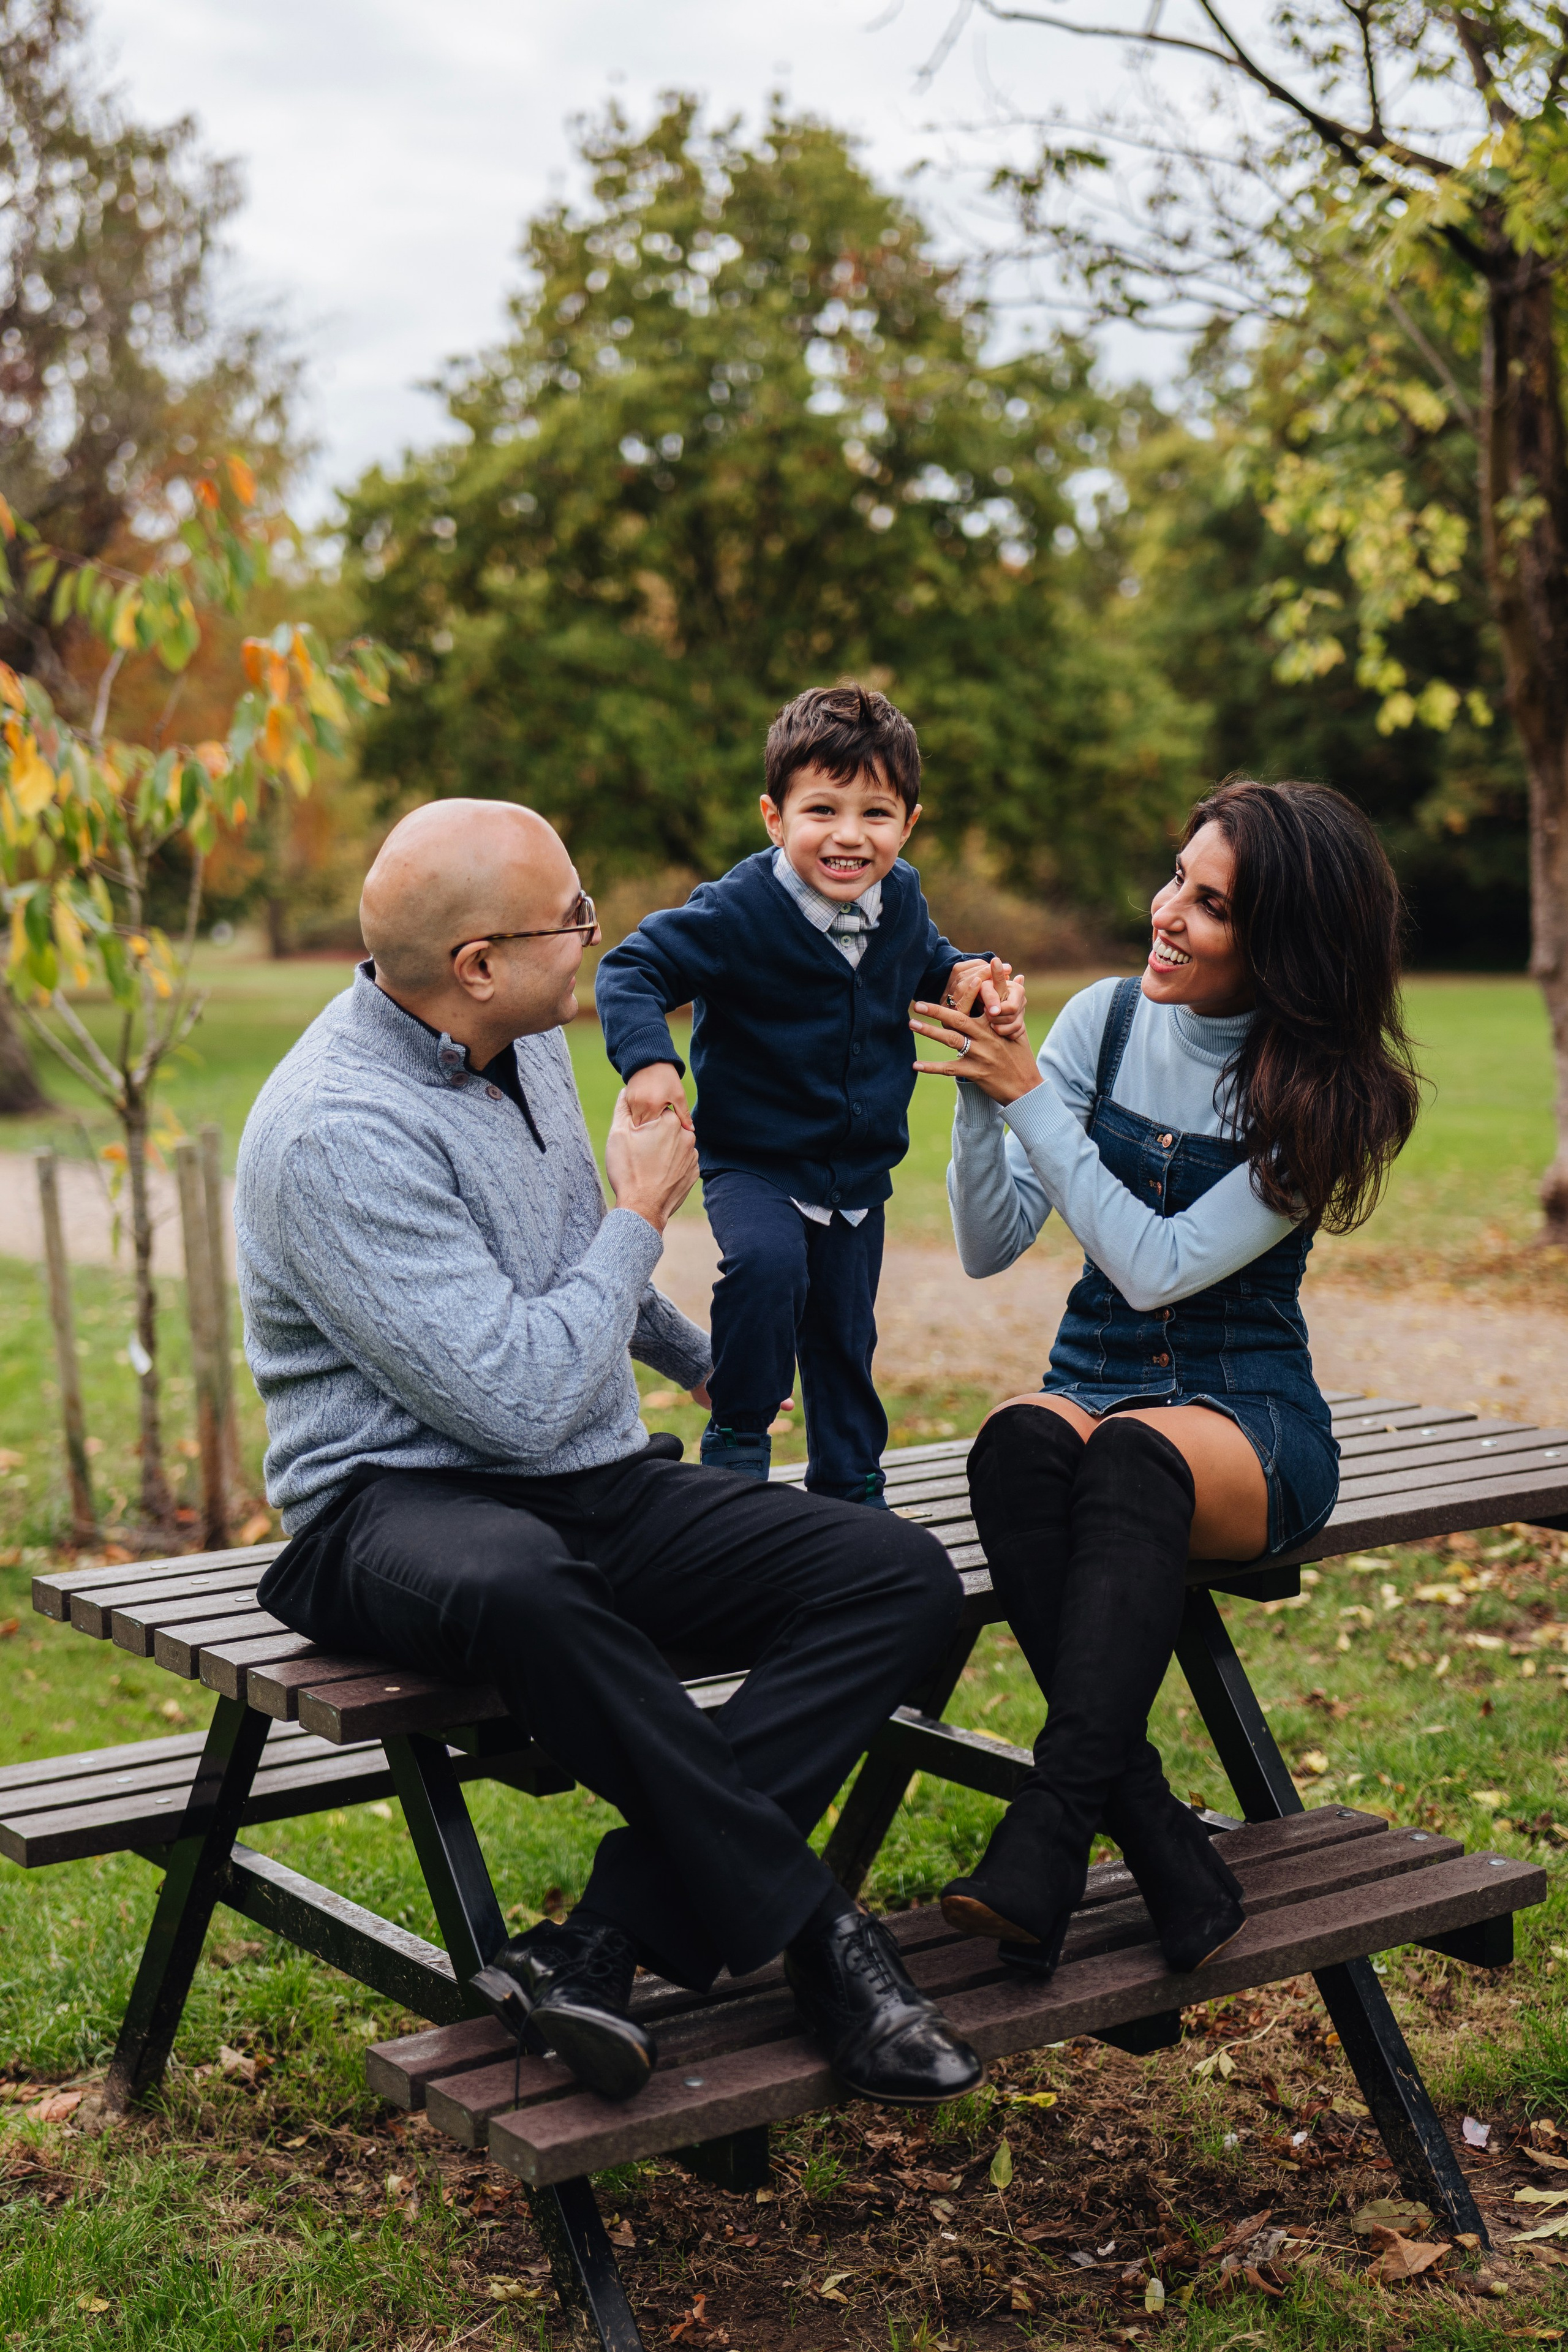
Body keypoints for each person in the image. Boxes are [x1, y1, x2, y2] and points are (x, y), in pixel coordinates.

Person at [235, 796, 983, 2109]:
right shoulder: (331, 1133)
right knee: (526, 1581)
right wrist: (642, 1216)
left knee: (896, 1576)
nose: (597, 937)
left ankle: (607, 1937)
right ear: (477, 962)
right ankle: (823, 1936)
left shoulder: (511, 1042)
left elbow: (563, 1266)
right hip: (390, 1510)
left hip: (583, 1480)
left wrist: (703, 1361)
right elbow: (511, 1400)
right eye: (572, 918)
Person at [908, 778, 1421, 1979]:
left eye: (1212, 907)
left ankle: (1047, 1827)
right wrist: (989, 1095)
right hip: (1090, 1373)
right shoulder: (1103, 1022)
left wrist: (1028, 1098)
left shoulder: (1324, 1097)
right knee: (1016, 1445)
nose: (1167, 915)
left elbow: (1156, 1270)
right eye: (1175, 881)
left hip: (1241, 1409)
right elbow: (990, 1245)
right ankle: (1160, 1848)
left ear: (1285, 946)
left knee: (1132, 1454)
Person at [595, 684, 1022, 1504]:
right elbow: (631, 968)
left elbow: (929, 961)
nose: (850, 837)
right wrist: (651, 1063)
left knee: (843, 1332)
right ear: (774, 817)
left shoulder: (901, 901)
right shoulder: (739, 911)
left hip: (857, 1173)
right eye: (822, 810)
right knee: (765, 1270)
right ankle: (738, 1447)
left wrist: (968, 974)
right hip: (755, 1158)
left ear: (908, 823)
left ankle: (849, 1483)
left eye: (877, 814)